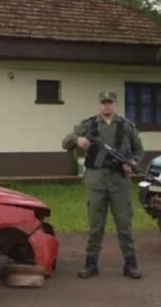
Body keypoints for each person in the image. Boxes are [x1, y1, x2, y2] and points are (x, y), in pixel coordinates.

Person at [62, 90, 145, 279]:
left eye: (110, 103)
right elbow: (65, 142)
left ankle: (130, 265)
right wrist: (77, 140)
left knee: (124, 224)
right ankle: (91, 265)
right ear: (99, 105)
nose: (107, 106)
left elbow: (139, 150)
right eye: (103, 103)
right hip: (96, 181)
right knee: (95, 225)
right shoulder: (88, 125)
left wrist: (131, 163)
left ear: (115, 105)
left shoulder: (126, 127)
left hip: (119, 182)